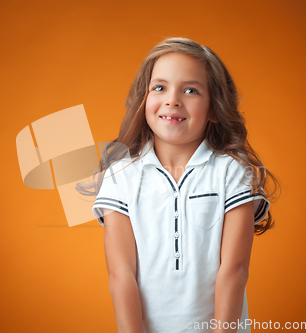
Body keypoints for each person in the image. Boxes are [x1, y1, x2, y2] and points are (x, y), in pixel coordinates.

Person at [78, 37, 280, 333]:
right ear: (144, 100)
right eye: (159, 87)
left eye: (191, 90)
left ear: (214, 108)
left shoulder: (233, 174)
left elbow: (234, 271)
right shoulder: (119, 177)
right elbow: (121, 276)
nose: (173, 99)